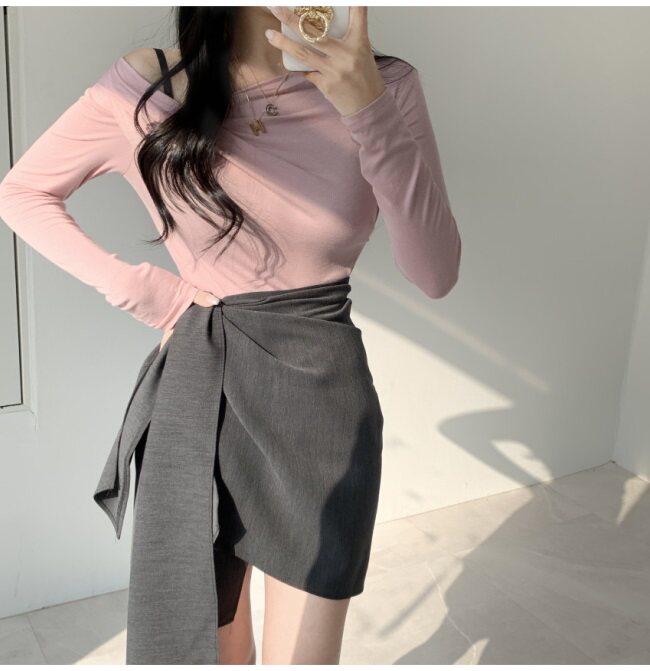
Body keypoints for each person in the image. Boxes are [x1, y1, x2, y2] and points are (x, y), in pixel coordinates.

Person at [0, 5, 461, 665]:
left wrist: (368, 108)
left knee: (302, 657)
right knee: (204, 642)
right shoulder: (148, 86)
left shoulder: (387, 85)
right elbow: (22, 193)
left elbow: (436, 272)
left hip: (318, 401)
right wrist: (152, 294)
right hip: (198, 393)